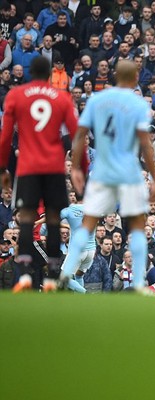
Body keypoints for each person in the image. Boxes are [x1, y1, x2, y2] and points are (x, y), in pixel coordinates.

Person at [60, 60, 155, 294]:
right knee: (136, 225)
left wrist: (75, 168)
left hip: (102, 170)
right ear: (135, 78)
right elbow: (145, 142)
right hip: (128, 170)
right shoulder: (137, 103)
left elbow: (79, 135)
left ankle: (65, 272)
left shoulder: (96, 99)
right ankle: (137, 285)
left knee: (88, 223)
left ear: (114, 76)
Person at [0, 56, 79, 292]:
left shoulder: (15, 95)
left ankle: (23, 274)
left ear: (29, 73)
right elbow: (77, 135)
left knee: (25, 219)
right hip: (54, 167)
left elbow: (5, 137)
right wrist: (79, 168)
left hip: (28, 166)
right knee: (54, 221)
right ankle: (53, 276)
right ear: (50, 76)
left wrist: (3, 167)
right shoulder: (62, 97)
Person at [60, 193, 96, 293]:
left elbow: (53, 218)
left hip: (78, 251)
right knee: (79, 276)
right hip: (91, 251)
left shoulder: (70, 210)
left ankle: (85, 293)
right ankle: (82, 301)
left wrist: (38, 222)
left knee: (64, 279)